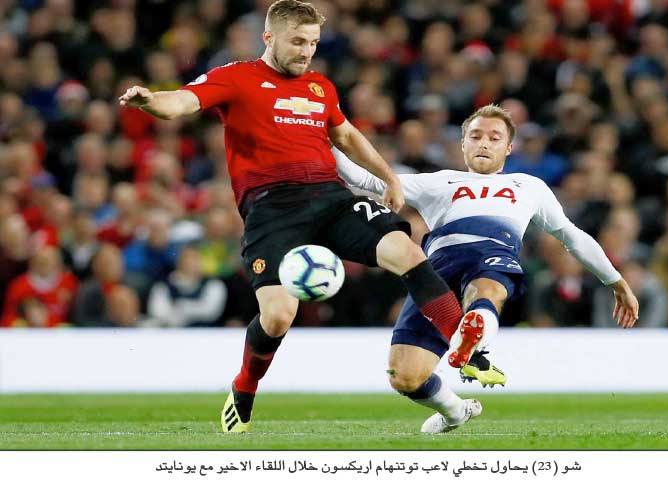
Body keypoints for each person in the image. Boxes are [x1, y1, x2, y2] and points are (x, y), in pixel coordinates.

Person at [119, 0, 470, 433]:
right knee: (278, 316)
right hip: (271, 208)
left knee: (406, 251)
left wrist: (388, 178)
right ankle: (245, 386)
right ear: (269, 37)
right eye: (298, 42)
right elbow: (182, 102)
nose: (307, 51)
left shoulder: (320, 87)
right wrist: (151, 100)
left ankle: (467, 347)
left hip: (330, 196)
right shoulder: (236, 76)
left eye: (313, 43)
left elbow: (345, 135)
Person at [335, 104, 640, 433]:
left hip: (492, 253)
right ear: (463, 143)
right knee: (405, 377)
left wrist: (616, 281)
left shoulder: (528, 186)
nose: (483, 143)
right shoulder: (437, 182)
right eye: (476, 136)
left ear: (508, 148)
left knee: (487, 288)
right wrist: (323, 132)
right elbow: (361, 177)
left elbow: (572, 237)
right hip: (434, 274)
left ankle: (475, 337)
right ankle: (455, 410)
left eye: (494, 138)